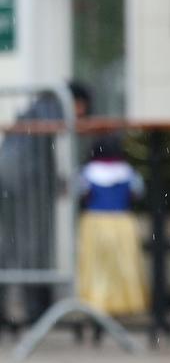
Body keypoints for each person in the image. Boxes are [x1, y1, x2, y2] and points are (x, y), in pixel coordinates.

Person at [0, 81, 91, 328]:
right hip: (27, 182)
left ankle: (12, 310)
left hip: (9, 177)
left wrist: (54, 180)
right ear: (77, 102)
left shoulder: (36, 108)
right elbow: (41, 148)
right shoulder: (55, 107)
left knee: (8, 245)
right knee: (35, 246)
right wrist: (53, 181)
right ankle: (38, 311)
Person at [76, 134, 149, 320]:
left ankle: (95, 303)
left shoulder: (88, 173)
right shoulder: (128, 172)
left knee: (95, 266)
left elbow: (81, 193)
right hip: (121, 221)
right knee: (123, 265)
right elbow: (137, 193)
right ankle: (122, 303)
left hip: (95, 222)